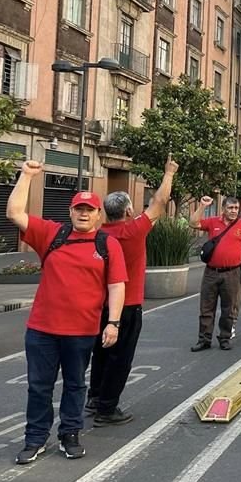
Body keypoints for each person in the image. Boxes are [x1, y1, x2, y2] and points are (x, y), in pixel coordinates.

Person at [6, 161, 127, 464]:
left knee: (76, 385)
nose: (83, 214)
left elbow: (116, 286)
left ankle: (70, 434)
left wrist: (113, 323)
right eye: (78, 209)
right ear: (71, 212)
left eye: (89, 210)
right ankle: (35, 439)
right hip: (42, 329)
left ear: (99, 215)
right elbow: (14, 213)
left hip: (82, 331)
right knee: (38, 386)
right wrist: (27, 176)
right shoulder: (52, 234)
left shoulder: (107, 243)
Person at [87, 156, 178, 427]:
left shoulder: (98, 234)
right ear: (127, 211)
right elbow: (159, 203)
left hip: (98, 304)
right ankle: (107, 407)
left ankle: (94, 397)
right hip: (126, 304)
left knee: (100, 353)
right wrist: (169, 173)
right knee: (120, 356)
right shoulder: (133, 230)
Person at [190, 196, 241, 351]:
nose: (233, 211)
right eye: (230, 208)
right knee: (206, 307)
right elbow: (193, 223)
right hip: (211, 272)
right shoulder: (213, 222)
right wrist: (202, 206)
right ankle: (204, 339)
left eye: (236, 208)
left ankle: (225, 338)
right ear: (223, 209)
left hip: (232, 273)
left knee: (229, 308)